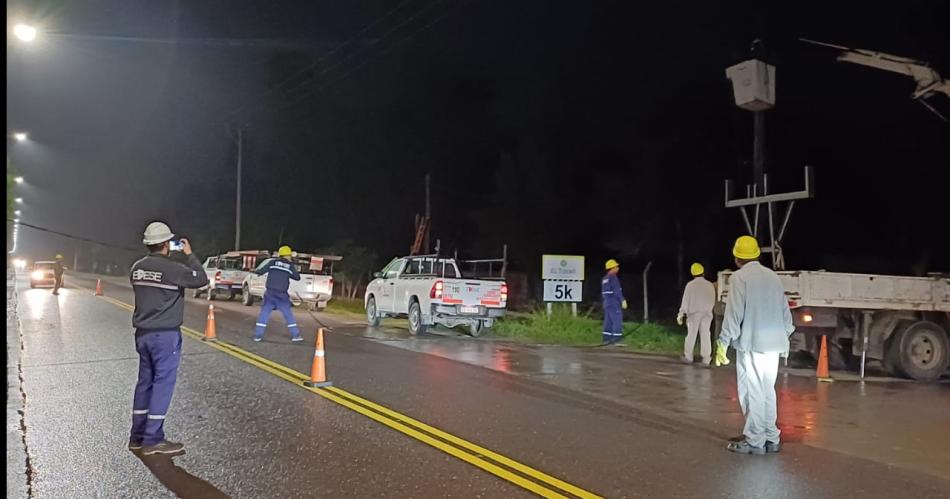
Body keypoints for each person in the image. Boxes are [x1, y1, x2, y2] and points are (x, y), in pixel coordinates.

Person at [129, 221, 209, 455]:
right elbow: (201, 279)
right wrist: (190, 255)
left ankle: (137, 436)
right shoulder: (173, 269)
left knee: (145, 383)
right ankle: (153, 440)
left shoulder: (137, 268)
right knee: (163, 384)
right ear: (166, 244)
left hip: (142, 334)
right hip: (164, 336)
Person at [716, 235, 795, 455]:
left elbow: (734, 313)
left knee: (753, 392)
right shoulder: (773, 277)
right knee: (767, 390)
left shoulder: (740, 278)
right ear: (757, 254)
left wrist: (723, 341)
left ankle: (755, 440)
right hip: (775, 343)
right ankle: (770, 436)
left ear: (736, 256)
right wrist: (784, 335)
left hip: (753, 343)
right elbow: (785, 313)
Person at [253, 245, 303, 342]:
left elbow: (260, 271)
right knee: (288, 315)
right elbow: (297, 277)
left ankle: (257, 336)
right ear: (287, 255)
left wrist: (256, 271)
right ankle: (296, 336)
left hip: (270, 293)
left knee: (264, 314)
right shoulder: (290, 265)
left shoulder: (272, 262)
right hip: (282, 295)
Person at [677, 262, 716, 365]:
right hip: (707, 313)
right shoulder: (709, 285)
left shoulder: (690, 285)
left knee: (691, 335)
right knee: (706, 335)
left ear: (693, 274)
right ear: (703, 273)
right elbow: (713, 299)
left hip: (694, 314)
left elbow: (685, 301)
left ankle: (689, 357)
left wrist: (681, 314)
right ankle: (706, 359)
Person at [600, 259, 628, 345]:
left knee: (608, 321)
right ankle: (617, 340)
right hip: (613, 301)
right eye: (616, 266)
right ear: (612, 268)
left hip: (606, 302)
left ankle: (606, 339)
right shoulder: (613, 277)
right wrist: (622, 300)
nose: (618, 268)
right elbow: (617, 290)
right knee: (617, 320)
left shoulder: (605, 278)